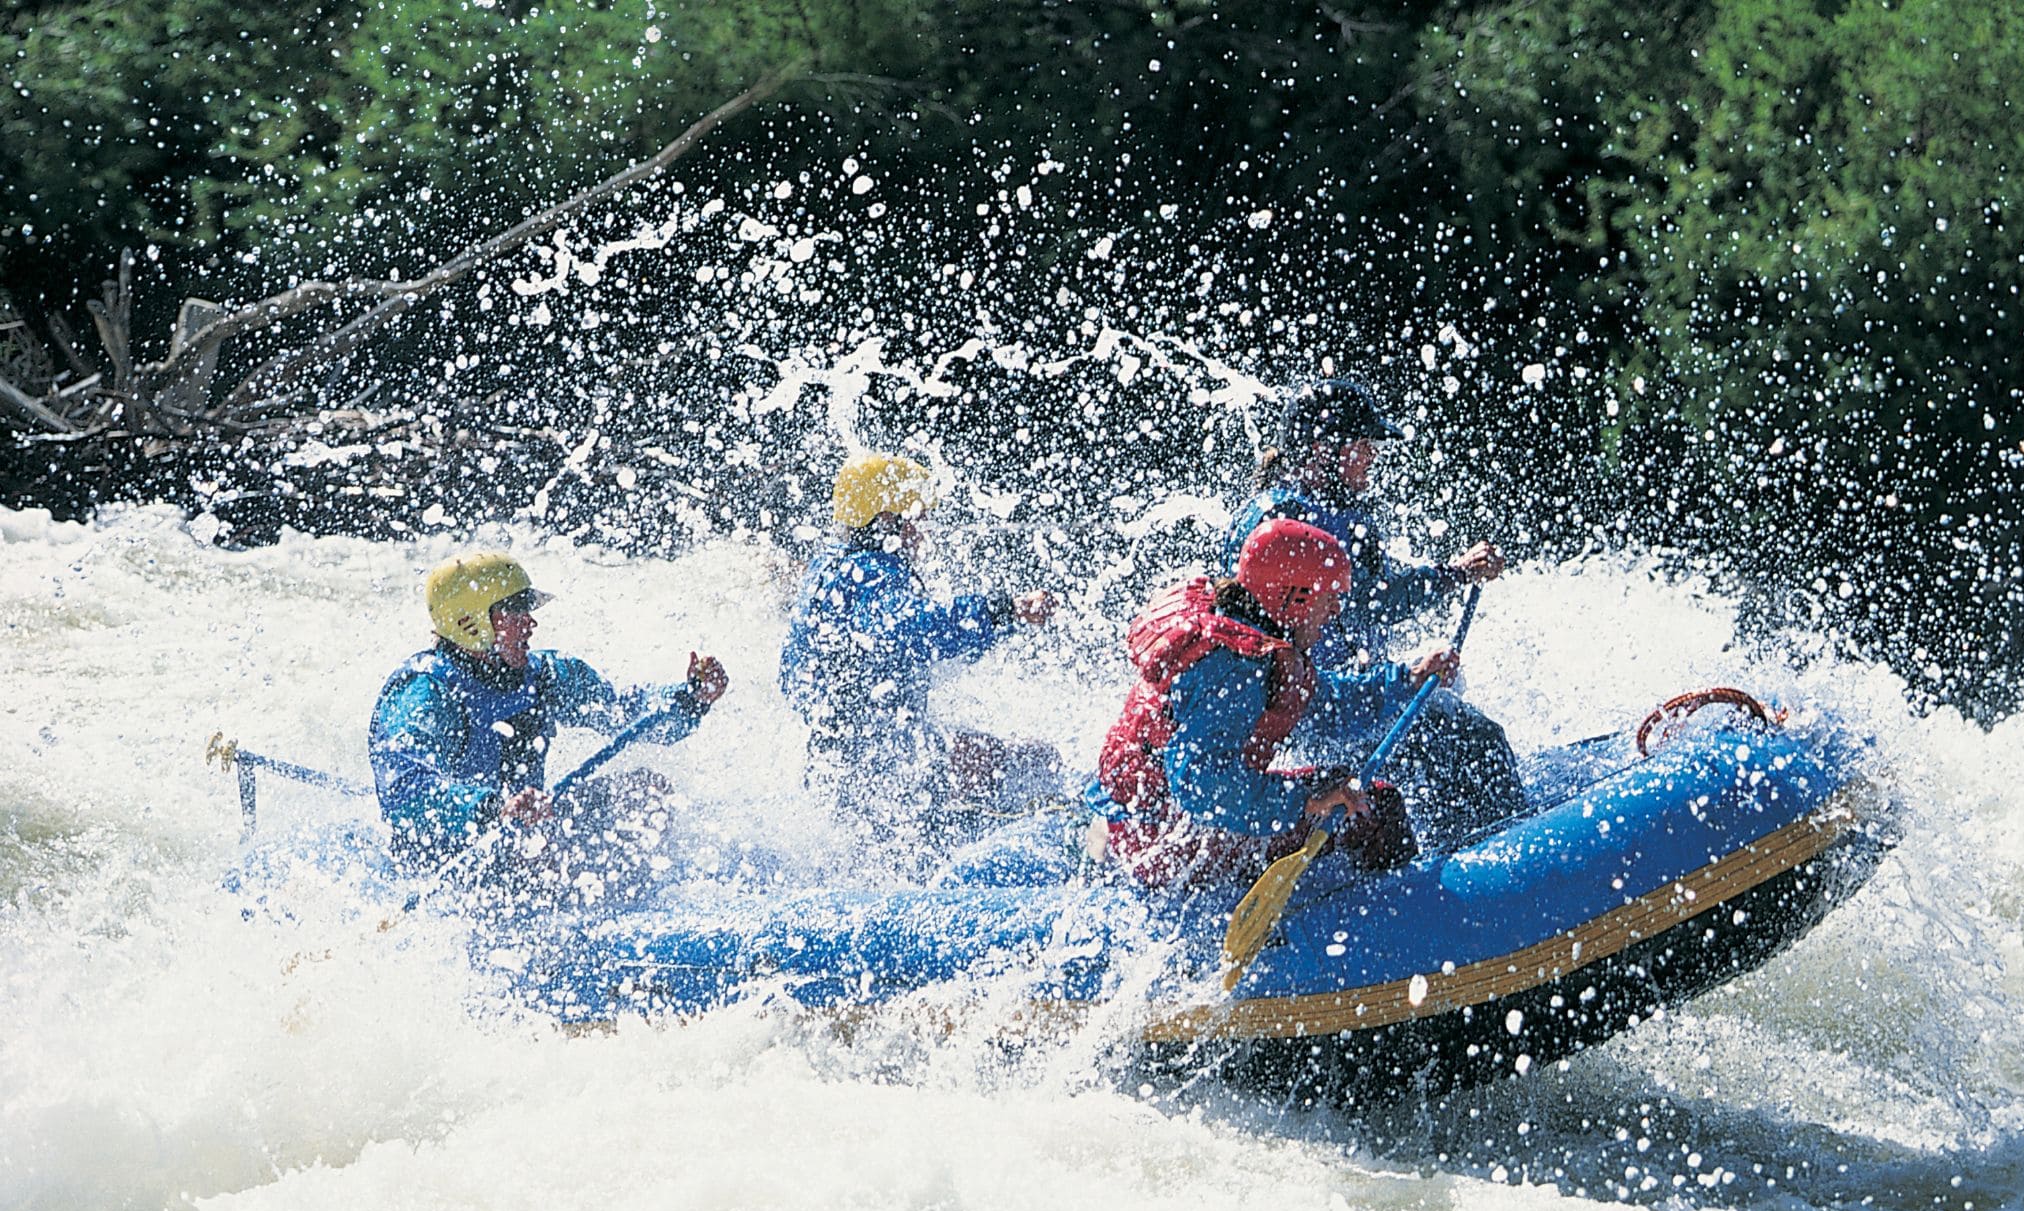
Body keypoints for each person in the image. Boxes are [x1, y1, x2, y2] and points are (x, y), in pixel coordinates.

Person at [1226, 377, 1525, 840]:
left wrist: (1455, 575)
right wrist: (1451, 579)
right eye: (1362, 445)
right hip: (1325, 716)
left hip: (1336, 702)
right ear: (1321, 450)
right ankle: (1499, 860)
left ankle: (1455, 842)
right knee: (1473, 739)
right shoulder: (1288, 525)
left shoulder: (1322, 512)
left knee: (1448, 713)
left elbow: (1374, 598)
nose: (1372, 457)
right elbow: (1372, 604)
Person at [1089, 518, 1456, 889]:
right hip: (1160, 843)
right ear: (1292, 598)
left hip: (1135, 819)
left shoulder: (1241, 627)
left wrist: (1408, 679)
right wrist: (1304, 800)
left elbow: (1327, 704)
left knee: (1339, 786)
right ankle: (1391, 922)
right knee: (1374, 806)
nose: (1334, 612)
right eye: (1328, 598)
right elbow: (1200, 785)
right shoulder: (1237, 667)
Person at [369, 551, 728, 904]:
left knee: (647, 793)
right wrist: (494, 809)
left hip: (528, 832)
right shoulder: (424, 693)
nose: (530, 623)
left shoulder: (545, 676)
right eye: (515, 611)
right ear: (471, 621)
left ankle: (641, 906)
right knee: (534, 852)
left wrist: (691, 698)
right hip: (458, 854)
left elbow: (626, 714)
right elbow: (405, 796)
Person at [779, 453, 1058, 859]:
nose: (926, 532)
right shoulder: (871, 574)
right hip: (885, 774)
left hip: (843, 759)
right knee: (1037, 759)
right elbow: (913, 629)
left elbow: (793, 678)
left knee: (993, 752)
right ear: (888, 520)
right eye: (919, 518)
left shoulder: (827, 569)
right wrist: (1003, 610)